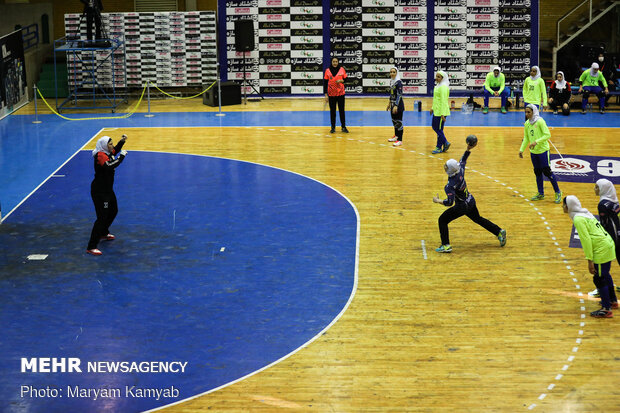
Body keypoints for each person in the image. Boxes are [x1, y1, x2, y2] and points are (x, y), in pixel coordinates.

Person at [432, 139, 506, 253]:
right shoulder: (460, 170)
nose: (444, 167)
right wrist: (468, 149)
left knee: (442, 220)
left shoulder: (450, 185)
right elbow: (463, 160)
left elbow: (449, 202)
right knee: (478, 219)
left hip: (462, 206)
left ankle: (446, 245)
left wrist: (438, 201)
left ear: (450, 170)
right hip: (470, 200)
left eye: (446, 166)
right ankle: (499, 231)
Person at [562, 195, 617, 317]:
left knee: (599, 278)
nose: (563, 206)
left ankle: (606, 309)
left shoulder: (578, 219)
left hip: (601, 249)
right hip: (607, 244)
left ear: (568, 206)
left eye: (564, 204)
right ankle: (612, 301)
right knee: (605, 274)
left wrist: (589, 260)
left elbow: (586, 240)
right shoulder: (584, 213)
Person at [87, 134, 128, 256]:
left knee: (113, 210)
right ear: (104, 146)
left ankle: (103, 232)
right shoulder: (100, 156)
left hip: (108, 190)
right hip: (100, 192)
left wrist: (121, 142)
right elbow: (110, 166)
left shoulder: (107, 153)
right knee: (101, 217)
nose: (112, 146)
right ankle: (91, 246)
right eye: (110, 144)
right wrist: (121, 158)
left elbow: (114, 151)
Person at [519, 104, 562, 203]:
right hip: (533, 152)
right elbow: (526, 138)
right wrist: (521, 149)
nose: (527, 114)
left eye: (529, 112)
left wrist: (536, 142)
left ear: (534, 112)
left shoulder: (540, 121)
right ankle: (540, 193)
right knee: (537, 172)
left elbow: (547, 135)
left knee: (547, 171)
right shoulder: (527, 124)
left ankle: (558, 192)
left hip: (543, 151)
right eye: (525, 112)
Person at [589, 179, 620, 297]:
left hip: (612, 239)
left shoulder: (602, 205)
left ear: (603, 189)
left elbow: (604, 225)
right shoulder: (614, 201)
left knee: (602, 267)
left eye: (597, 187)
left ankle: (602, 289)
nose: (595, 189)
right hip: (619, 235)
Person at [324, 57, 348, 133]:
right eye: (333, 61)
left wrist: (342, 80)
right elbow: (325, 83)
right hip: (331, 94)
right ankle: (333, 128)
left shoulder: (342, 69)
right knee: (332, 111)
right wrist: (326, 95)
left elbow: (346, 79)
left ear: (338, 62)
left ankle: (343, 127)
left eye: (336, 61)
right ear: (331, 62)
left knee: (341, 111)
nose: (335, 63)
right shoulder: (327, 70)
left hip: (341, 94)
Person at [430, 70, 451, 154]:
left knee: (438, 128)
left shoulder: (443, 87)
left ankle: (442, 145)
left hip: (441, 112)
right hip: (437, 111)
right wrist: (432, 108)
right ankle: (443, 144)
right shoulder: (438, 86)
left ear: (443, 78)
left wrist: (442, 113)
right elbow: (436, 99)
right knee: (437, 128)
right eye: (436, 76)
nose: (437, 78)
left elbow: (443, 101)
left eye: (439, 77)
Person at [387, 67, 405, 147]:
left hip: (398, 106)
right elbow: (391, 94)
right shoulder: (391, 82)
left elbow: (399, 95)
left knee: (399, 122)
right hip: (392, 104)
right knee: (394, 121)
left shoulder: (399, 83)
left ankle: (400, 140)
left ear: (396, 73)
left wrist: (396, 105)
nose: (392, 73)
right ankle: (396, 136)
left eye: (393, 72)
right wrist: (389, 104)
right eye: (391, 72)